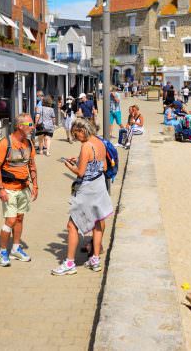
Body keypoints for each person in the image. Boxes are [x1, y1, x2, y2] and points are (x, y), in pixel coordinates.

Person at [52, 118, 113, 276]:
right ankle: (94, 259)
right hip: (99, 186)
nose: (75, 137)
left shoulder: (86, 146)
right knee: (98, 223)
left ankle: (70, 263)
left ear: (83, 130)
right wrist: (81, 160)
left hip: (87, 189)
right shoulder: (100, 142)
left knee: (72, 226)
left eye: (76, 134)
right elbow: (104, 166)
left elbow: (80, 173)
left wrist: (69, 165)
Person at [0, 113, 38, 267]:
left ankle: (16, 249)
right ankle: (2, 251)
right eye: (30, 125)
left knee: (19, 218)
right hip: (9, 188)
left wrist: (35, 185)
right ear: (20, 126)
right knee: (10, 220)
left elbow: (31, 165)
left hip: (24, 187)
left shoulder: (29, 143)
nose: (33, 127)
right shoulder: (6, 143)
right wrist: (1, 189)